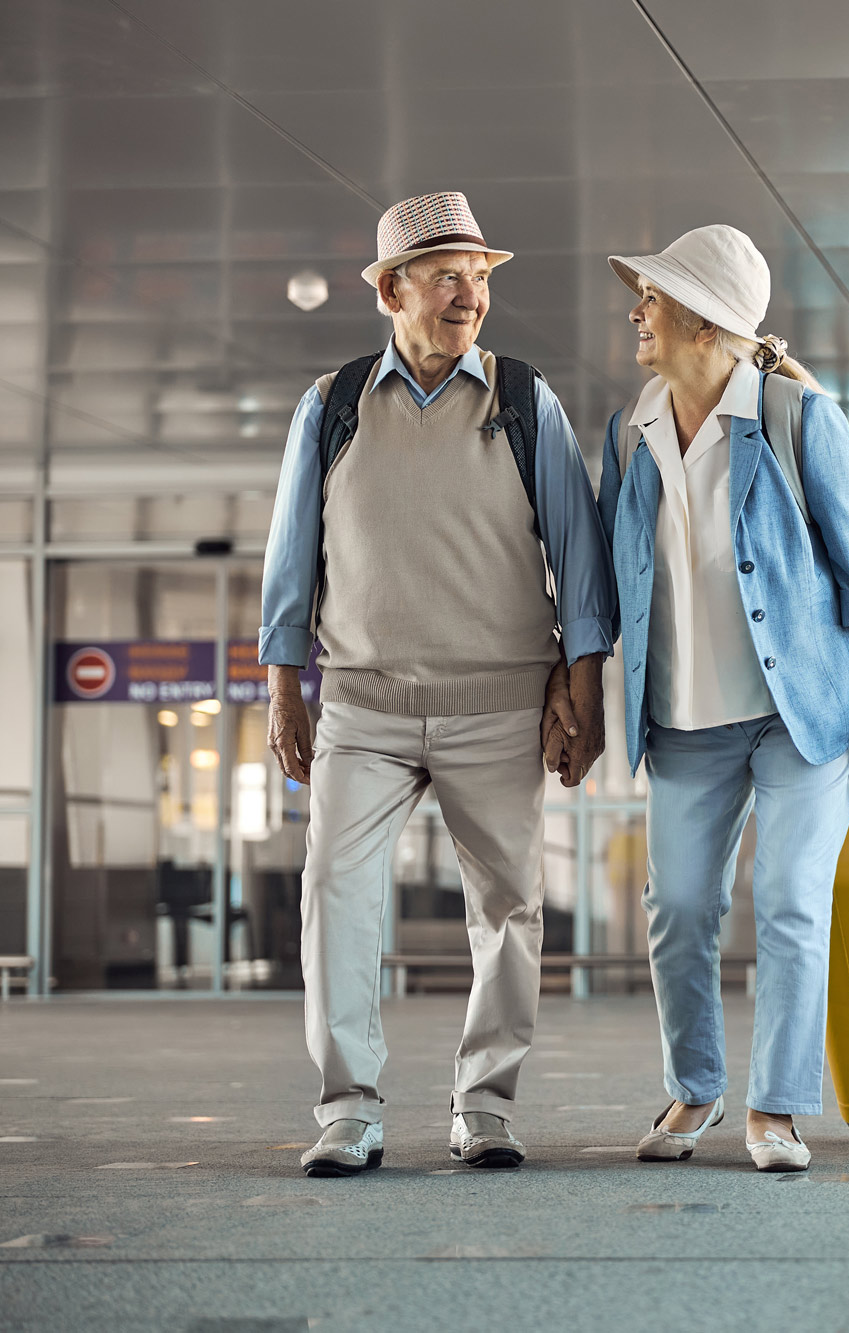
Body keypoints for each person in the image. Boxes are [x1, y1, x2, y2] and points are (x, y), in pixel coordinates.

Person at [260, 192, 609, 1178]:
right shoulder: (331, 405)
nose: (471, 295)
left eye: (482, 278)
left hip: (496, 705)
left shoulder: (522, 398)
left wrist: (579, 691)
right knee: (334, 893)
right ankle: (348, 1108)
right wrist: (283, 688)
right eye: (448, 275)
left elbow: (577, 563)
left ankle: (485, 1106)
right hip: (361, 706)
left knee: (509, 904)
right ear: (390, 290)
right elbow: (293, 556)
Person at [560, 224, 849, 1173]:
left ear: (708, 321)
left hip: (800, 711)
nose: (638, 312)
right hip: (681, 715)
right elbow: (604, 577)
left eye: (656, 298)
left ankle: (779, 1109)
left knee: (792, 900)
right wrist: (586, 692)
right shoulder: (629, 429)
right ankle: (696, 1088)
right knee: (677, 904)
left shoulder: (798, 417)